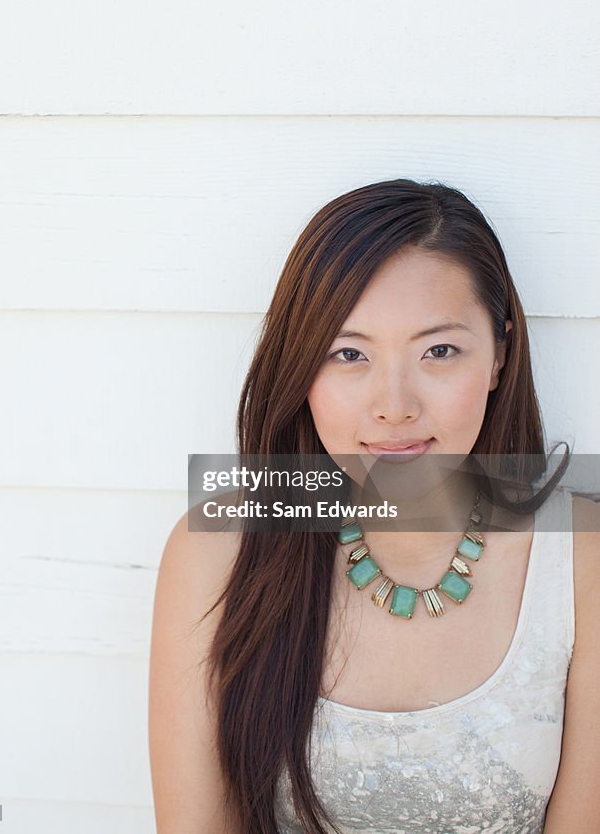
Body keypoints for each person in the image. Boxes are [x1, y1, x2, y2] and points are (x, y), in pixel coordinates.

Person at [149, 179, 600, 834]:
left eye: (437, 351)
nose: (394, 406)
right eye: (348, 353)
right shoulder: (220, 549)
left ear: (499, 354)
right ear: (302, 367)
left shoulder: (578, 560)